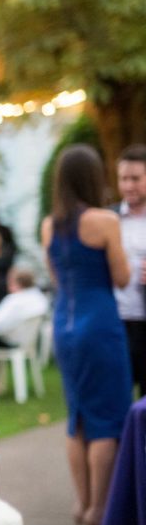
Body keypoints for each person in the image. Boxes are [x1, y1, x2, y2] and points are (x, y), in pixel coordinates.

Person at [42, 144, 133, 525]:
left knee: (77, 417)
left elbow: (57, 277)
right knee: (107, 421)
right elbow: (123, 277)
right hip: (100, 324)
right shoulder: (104, 221)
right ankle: (100, 510)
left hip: (65, 322)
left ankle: (81, 505)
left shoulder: (50, 225)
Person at [112, 143, 146, 397]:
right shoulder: (107, 218)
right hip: (116, 320)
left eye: (135, 178)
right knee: (117, 398)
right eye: (124, 178)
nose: (128, 185)